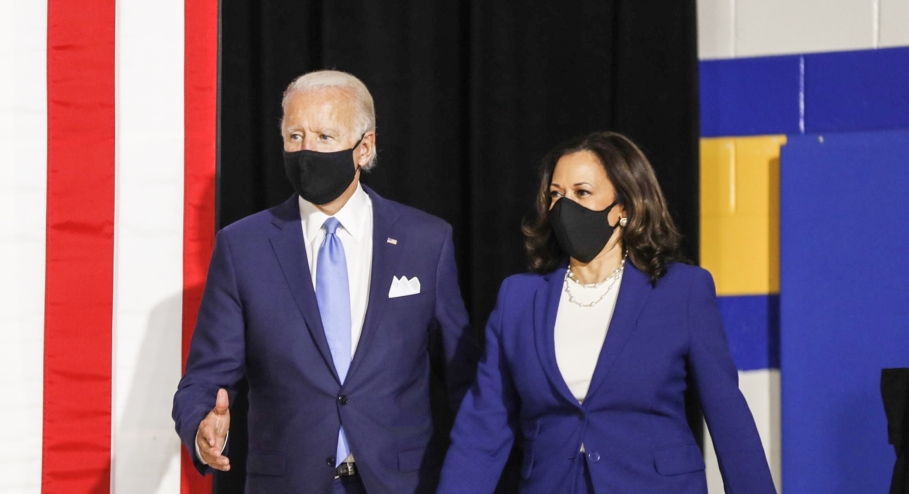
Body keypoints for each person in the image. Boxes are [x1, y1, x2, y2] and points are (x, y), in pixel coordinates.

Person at [173, 70, 479, 494]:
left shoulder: (425, 241)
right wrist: (202, 425)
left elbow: (464, 377)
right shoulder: (242, 247)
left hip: (399, 482)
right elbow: (204, 378)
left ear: (364, 147)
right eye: (295, 136)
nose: (306, 151)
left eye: (324, 137)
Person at [437, 132, 775, 493]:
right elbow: (483, 427)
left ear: (623, 207)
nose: (564, 207)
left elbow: (728, 416)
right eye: (556, 195)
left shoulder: (682, 291)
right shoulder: (518, 298)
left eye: (582, 192)